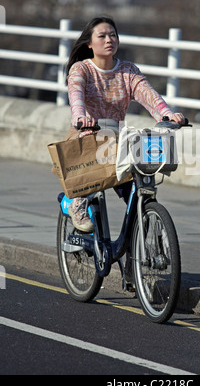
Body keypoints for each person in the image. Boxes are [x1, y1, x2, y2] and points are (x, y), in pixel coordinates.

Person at [66, 15, 185, 232]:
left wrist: (167, 115)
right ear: (90, 44)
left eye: (113, 35)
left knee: (138, 187)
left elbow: (148, 94)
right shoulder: (81, 69)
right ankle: (76, 202)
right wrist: (80, 118)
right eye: (102, 36)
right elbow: (76, 97)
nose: (109, 39)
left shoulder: (127, 71)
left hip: (117, 139)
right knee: (90, 181)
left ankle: (139, 235)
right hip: (87, 136)